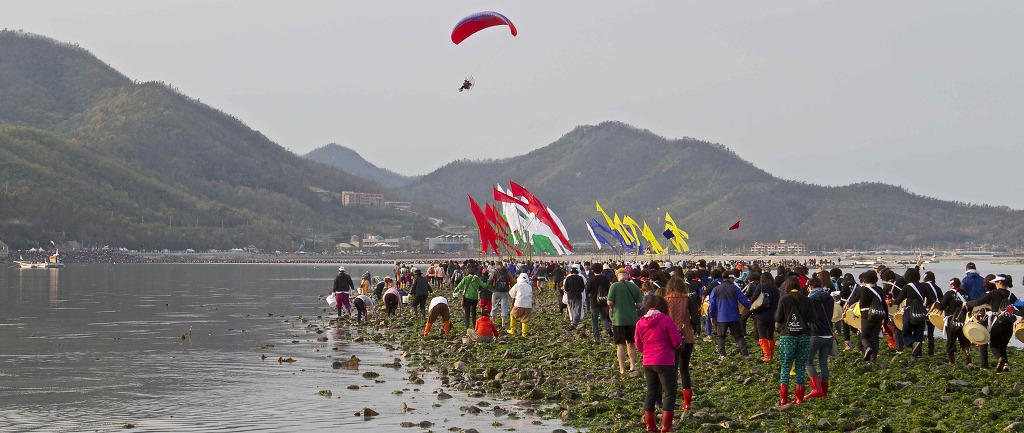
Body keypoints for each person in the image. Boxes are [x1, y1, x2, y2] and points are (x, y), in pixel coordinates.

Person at [635, 295, 682, 433]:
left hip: (648, 361)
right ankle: (666, 426)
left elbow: (638, 345)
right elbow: (676, 342)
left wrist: (648, 350)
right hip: (665, 360)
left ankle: (650, 425)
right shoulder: (666, 320)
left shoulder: (640, 322)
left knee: (651, 392)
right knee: (670, 392)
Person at [966, 274, 1021, 373]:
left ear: (1000, 282)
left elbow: (980, 301)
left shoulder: (993, 293)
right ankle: (1005, 365)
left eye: (996, 282)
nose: (995, 284)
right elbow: (1021, 308)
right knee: (1003, 345)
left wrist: (966, 303)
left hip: (997, 321)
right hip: (1009, 322)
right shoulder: (1011, 295)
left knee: (993, 345)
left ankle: (1000, 359)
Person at [775, 276, 813, 405]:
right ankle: (799, 398)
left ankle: (783, 399)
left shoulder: (784, 299)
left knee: (785, 366)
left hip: (787, 336)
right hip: (803, 336)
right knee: (801, 367)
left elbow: (778, 318)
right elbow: (813, 318)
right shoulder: (807, 300)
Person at [663, 276, 696, 411]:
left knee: (671, 370)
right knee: (684, 369)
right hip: (686, 337)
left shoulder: (665, 301)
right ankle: (687, 403)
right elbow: (695, 319)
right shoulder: (688, 300)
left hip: (670, 339)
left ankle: (670, 400)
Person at [708, 270, 752, 360]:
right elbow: (743, 300)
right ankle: (745, 354)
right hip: (734, 316)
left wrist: (711, 316)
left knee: (721, 337)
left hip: (721, 317)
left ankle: (723, 354)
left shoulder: (716, 289)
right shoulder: (734, 288)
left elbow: (712, 303)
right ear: (730, 278)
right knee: (739, 336)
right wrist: (752, 308)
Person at [608, 267, 643, 376]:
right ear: (627, 275)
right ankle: (632, 365)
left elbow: (609, 302)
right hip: (632, 318)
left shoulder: (614, 286)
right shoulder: (634, 286)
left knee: (620, 345)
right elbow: (639, 305)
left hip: (618, 319)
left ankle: (622, 369)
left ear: (617, 276)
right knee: (631, 343)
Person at [804, 277, 834, 399]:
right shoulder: (830, 298)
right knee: (823, 363)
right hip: (828, 334)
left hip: (815, 334)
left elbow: (808, 317)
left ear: (810, 287)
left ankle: (816, 389)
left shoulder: (809, 299)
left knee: (808, 362)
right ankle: (824, 392)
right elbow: (832, 314)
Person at [892, 267, 928, 358]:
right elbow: (932, 299)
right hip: (921, 312)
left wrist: (891, 301)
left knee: (906, 333)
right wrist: (924, 303)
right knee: (919, 334)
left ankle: (912, 343)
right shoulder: (924, 286)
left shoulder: (907, 287)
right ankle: (917, 355)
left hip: (909, 311)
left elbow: (898, 300)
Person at [935, 277, 971, 365]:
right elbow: (970, 306)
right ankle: (967, 354)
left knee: (951, 341)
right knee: (964, 341)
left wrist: (935, 303)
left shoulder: (948, 294)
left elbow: (941, 306)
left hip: (951, 320)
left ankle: (952, 362)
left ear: (951, 285)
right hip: (963, 321)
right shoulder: (965, 294)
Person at [753, 273, 780, 362]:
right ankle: (771, 354)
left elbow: (753, 299)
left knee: (762, 336)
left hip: (761, 315)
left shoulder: (761, 287)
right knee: (770, 335)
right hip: (773, 315)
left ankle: (767, 355)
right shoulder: (776, 289)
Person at [586, 263, 614, 344]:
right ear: (602, 269)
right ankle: (609, 330)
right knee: (604, 317)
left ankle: (596, 338)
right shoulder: (605, 279)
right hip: (604, 301)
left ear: (593, 270)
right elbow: (609, 290)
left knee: (594, 320)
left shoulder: (591, 280)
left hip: (594, 302)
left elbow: (587, 291)